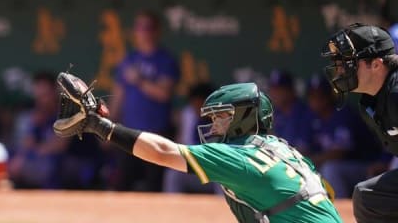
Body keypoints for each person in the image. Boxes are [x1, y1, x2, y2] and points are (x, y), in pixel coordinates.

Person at [55, 75, 342, 222]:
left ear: (242, 118)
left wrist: (101, 127)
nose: (214, 124)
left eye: (221, 117)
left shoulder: (237, 155)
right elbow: (325, 193)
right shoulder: (284, 149)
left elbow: (162, 152)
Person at [321, 23, 398, 221]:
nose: (340, 70)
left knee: (367, 196)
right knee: (369, 196)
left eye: (348, 63)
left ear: (376, 64)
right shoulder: (371, 103)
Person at [108, 11, 179, 191]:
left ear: (157, 31)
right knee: (123, 184)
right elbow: (118, 96)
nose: (143, 32)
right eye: (139, 27)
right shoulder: (129, 59)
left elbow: (164, 93)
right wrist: (107, 125)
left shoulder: (165, 60)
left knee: (153, 186)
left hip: (157, 133)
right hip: (129, 132)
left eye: (148, 27)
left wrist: (139, 80)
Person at [305, 73, 380, 198]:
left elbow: (340, 153)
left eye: (320, 96)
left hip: (367, 166)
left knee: (330, 168)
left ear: (330, 96)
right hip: (341, 168)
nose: (316, 101)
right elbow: (306, 147)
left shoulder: (342, 115)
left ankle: (340, 209)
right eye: (312, 96)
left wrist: (311, 161)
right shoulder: (313, 119)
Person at [268, 69, 313, 154]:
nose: (274, 94)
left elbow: (304, 149)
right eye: (272, 89)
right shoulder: (275, 113)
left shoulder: (304, 113)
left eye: (279, 90)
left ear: (291, 90)